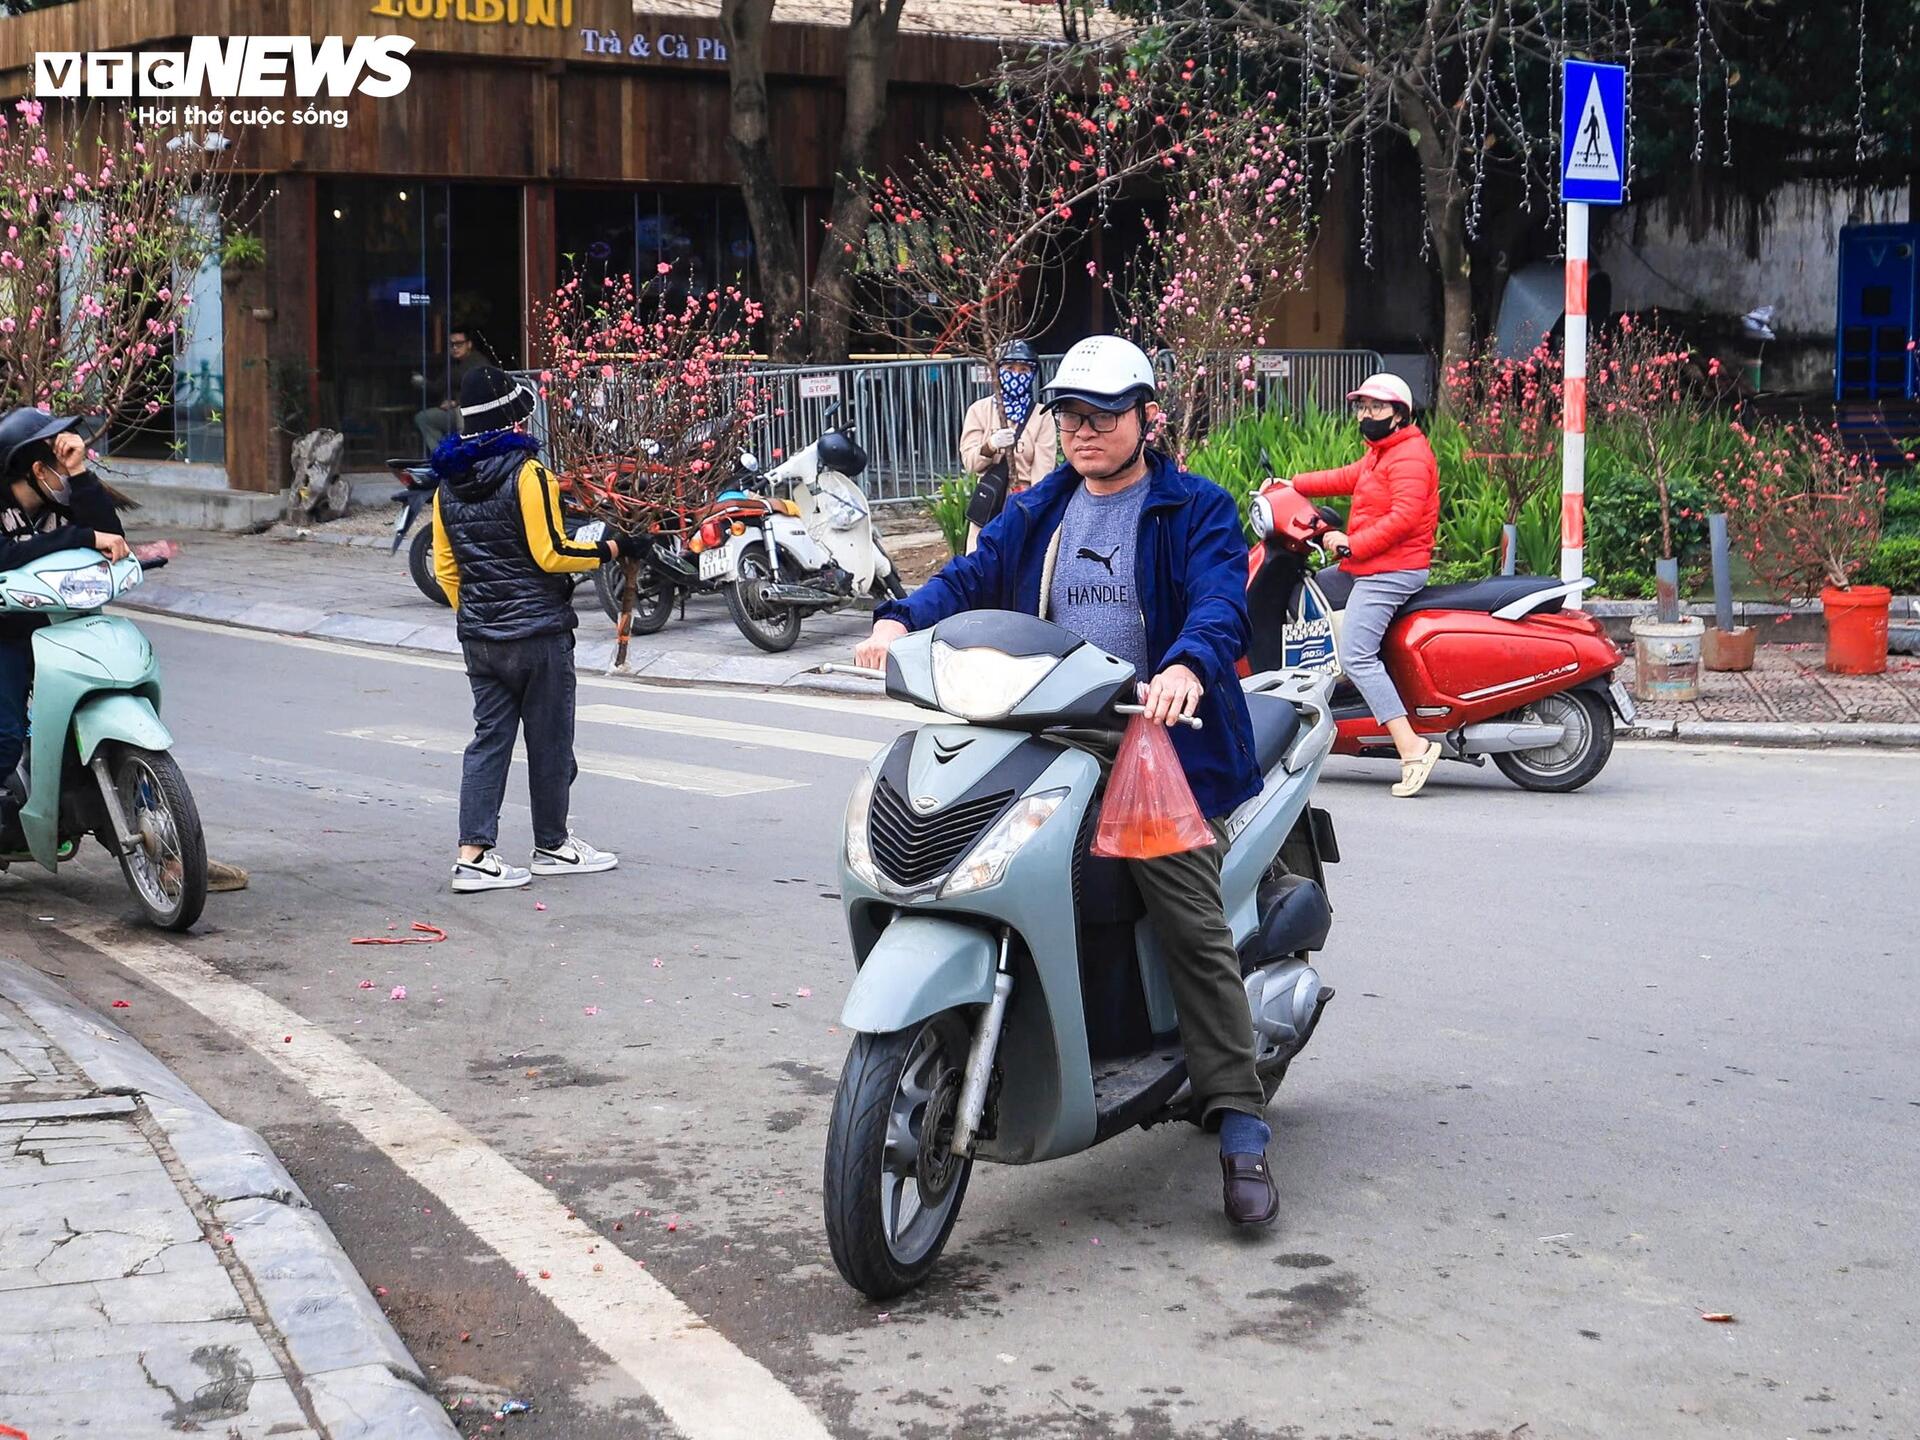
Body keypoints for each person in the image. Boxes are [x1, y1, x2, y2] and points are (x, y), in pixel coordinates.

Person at [854, 335, 1282, 1228]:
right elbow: (972, 577)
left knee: (1185, 908)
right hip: (1045, 725)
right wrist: (900, 619)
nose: (1084, 430)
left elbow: (1220, 602)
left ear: (1145, 418)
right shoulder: (1043, 504)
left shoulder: (1194, 508)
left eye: (1103, 414)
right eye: (1070, 415)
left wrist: (1187, 665)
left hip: (1155, 739)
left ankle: (1238, 1116)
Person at [430, 365, 632, 893]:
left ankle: (473, 856)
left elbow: (446, 569)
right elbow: (552, 553)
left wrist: (481, 612)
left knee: (488, 741)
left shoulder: (447, 484)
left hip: (480, 638)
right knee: (549, 742)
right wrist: (613, 548)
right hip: (538, 633)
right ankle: (553, 845)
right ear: (512, 418)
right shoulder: (529, 474)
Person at [1284, 373, 1443, 798]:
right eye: (1363, 407)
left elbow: (1404, 518)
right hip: (1370, 564)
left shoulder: (1410, 456)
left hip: (1391, 571)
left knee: (1357, 655)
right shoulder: (1381, 453)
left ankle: (1412, 747)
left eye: (1377, 407)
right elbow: (1347, 477)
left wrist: (1352, 544)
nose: (1366, 414)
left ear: (1399, 414)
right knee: (1309, 592)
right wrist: (1291, 485)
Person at [0, 409, 130, 836]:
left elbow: (112, 537)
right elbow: (6, 555)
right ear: (39, 470)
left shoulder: (65, 498)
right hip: (5, 634)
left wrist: (80, 473)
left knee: (91, 715)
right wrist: (81, 537)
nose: (66, 465)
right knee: (6, 736)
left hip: (56, 625)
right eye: (60, 459)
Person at [959, 339, 1059, 554]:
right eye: (1010, 368)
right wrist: (990, 445)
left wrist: (1029, 505)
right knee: (980, 562)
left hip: (1023, 505)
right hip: (990, 503)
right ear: (997, 371)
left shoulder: (1042, 415)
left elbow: (1043, 471)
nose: (1017, 374)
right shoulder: (979, 410)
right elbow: (970, 462)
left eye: (1024, 370)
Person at [415, 327, 488, 457]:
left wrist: (456, 402)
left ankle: (463, 459)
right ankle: (442, 456)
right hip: (453, 412)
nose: (455, 348)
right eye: (451, 344)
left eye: (459, 344)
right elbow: (439, 386)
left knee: (462, 416)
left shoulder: (478, 363)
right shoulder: (453, 364)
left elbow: (482, 390)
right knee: (424, 418)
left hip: (474, 412)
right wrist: (423, 382)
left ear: (469, 344)